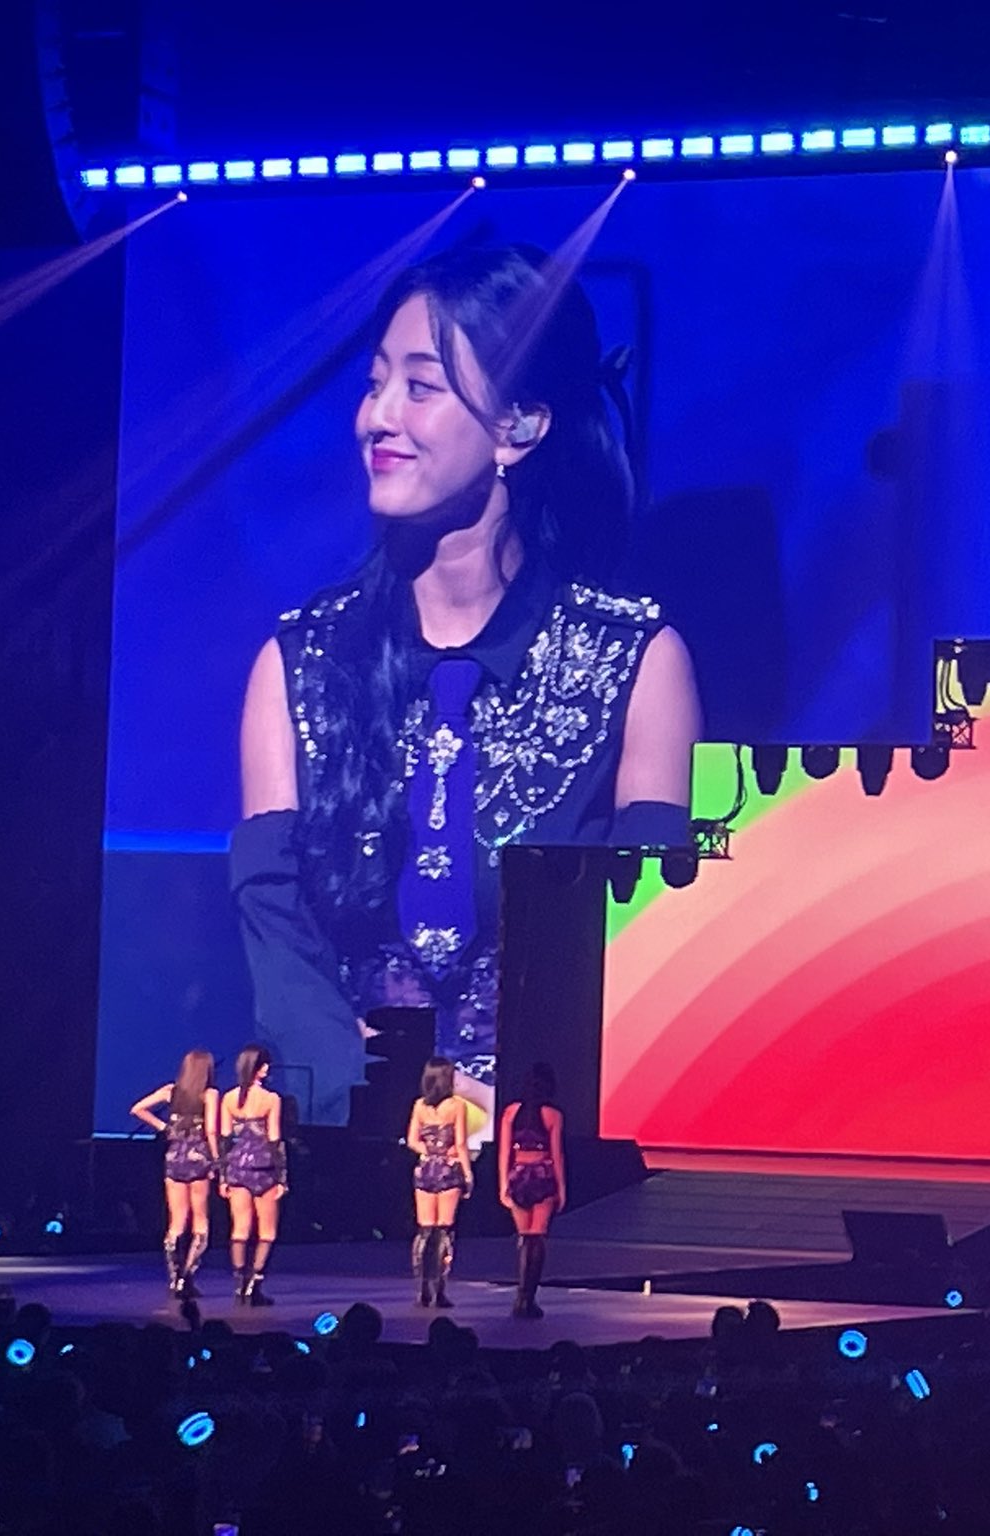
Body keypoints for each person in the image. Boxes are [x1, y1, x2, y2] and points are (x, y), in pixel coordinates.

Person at [231, 243, 700, 1125]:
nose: (378, 417)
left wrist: (507, 1112)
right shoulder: (298, 667)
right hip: (348, 1142)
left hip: (547, 1142)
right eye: (375, 384)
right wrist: (385, 1107)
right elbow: (281, 952)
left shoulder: (634, 662)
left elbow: (644, 956)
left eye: (420, 386)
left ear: (518, 426)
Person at [127, 1049, 220, 1299]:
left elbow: (137, 1109)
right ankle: (187, 1277)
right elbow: (211, 1131)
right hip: (198, 1158)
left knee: (176, 1221)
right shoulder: (210, 1094)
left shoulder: (171, 1091)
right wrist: (216, 1160)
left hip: (175, 1157)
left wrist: (164, 1127)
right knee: (200, 1220)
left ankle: (174, 1278)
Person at [218, 1044, 287, 1304]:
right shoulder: (271, 1099)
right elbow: (274, 1139)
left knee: (240, 1228)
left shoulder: (228, 1099)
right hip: (264, 1168)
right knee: (266, 1231)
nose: (267, 1068)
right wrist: (282, 1177)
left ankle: (239, 1283)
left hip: (237, 1168)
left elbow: (225, 1140)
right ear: (256, 1068)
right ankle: (254, 1285)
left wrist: (223, 1176)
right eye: (263, 1064)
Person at [497, 1061, 566, 1318]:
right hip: (542, 1176)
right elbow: (557, 1155)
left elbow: (504, 1152)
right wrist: (562, 1188)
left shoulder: (510, 1112)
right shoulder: (553, 1115)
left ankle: (520, 1297)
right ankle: (529, 1297)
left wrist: (503, 1185)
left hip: (518, 1176)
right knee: (537, 1238)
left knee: (525, 1237)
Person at [406, 1055, 473, 1307]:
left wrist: (428, 1151)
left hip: (425, 1169)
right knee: (444, 1231)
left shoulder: (419, 1106)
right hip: (448, 1169)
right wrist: (467, 1174)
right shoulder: (457, 1106)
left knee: (425, 1230)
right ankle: (440, 1290)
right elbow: (461, 1144)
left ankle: (422, 1287)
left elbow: (412, 1140)